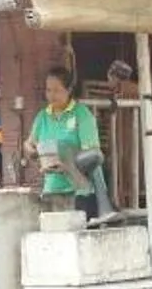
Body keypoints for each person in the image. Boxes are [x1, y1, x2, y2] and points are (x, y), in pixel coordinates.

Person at [28, 67, 108, 223]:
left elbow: (91, 153)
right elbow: (29, 143)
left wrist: (66, 164)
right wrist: (33, 151)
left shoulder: (81, 114)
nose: (52, 95)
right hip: (52, 190)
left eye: (57, 90)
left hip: (80, 191)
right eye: (48, 90)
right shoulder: (42, 116)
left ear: (69, 90)